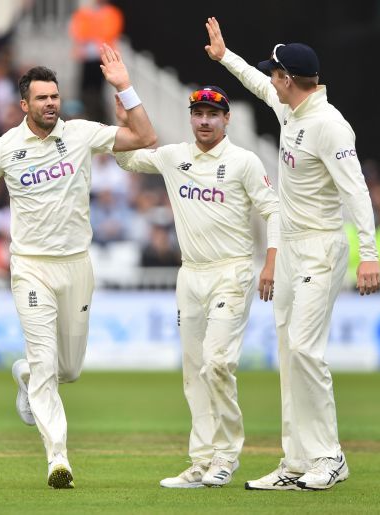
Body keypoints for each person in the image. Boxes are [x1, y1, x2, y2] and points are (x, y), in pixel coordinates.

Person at [0, 45, 156, 489]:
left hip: (77, 265)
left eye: (55, 97)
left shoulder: (81, 133)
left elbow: (145, 137)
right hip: (30, 267)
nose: (50, 104)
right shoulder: (5, 148)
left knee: (68, 370)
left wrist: (125, 87)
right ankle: (58, 459)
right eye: (41, 98)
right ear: (24, 104)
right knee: (48, 365)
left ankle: (23, 373)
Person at [204, 17, 380, 491]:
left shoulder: (328, 125)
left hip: (322, 246)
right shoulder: (290, 111)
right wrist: (224, 58)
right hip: (292, 252)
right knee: (288, 352)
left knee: (305, 349)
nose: (272, 81)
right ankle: (297, 461)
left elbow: (356, 191)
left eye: (275, 75)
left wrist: (370, 253)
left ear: (290, 79)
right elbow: (258, 85)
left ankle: (330, 456)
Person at [114, 85, 280, 488]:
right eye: (199, 114)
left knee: (218, 361)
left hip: (232, 271)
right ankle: (201, 461)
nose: (205, 121)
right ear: (191, 118)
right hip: (190, 274)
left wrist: (271, 263)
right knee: (193, 371)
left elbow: (274, 210)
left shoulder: (243, 161)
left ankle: (227, 455)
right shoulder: (174, 157)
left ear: (227, 119)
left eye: (213, 114)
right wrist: (124, 124)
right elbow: (127, 161)